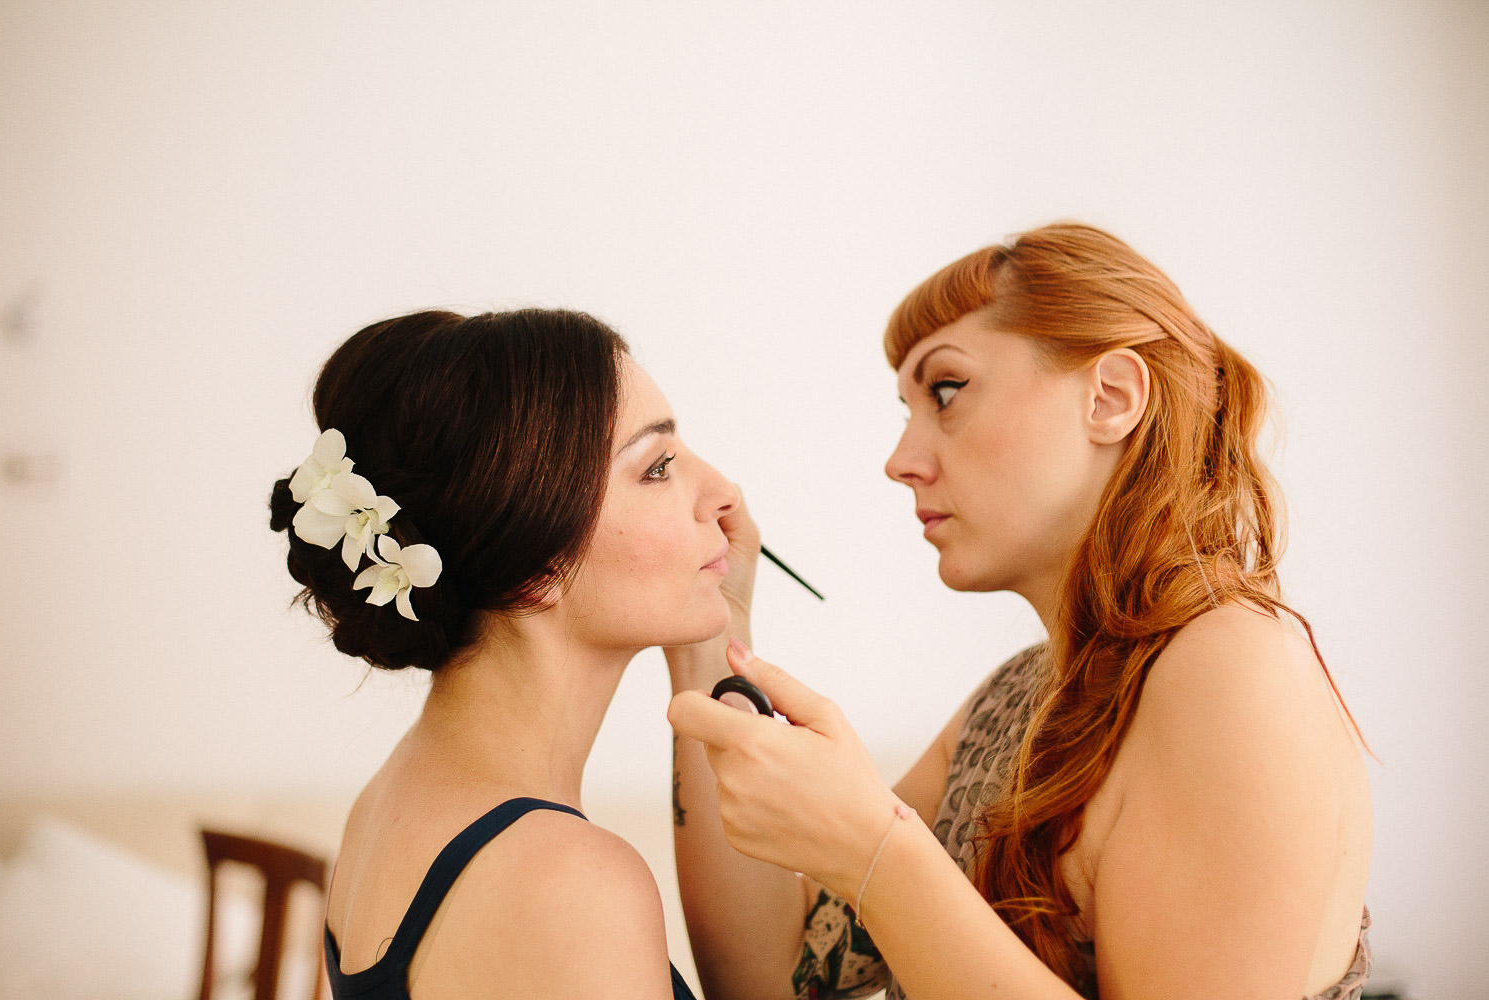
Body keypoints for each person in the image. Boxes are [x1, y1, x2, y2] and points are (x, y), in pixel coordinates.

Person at [665, 223, 1373, 1000]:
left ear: (1110, 398)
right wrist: (711, 639)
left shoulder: (1229, 667)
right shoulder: (1018, 698)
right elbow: (770, 978)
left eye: (945, 392)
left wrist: (878, 851)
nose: (900, 460)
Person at [268, 307, 738, 999]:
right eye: (658, 467)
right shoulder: (572, 884)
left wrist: (713, 646)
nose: (725, 493)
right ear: (536, 567)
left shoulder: (389, 804)